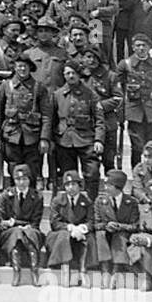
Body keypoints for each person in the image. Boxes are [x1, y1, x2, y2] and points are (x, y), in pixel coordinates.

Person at [45, 60, 105, 198]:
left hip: (86, 140)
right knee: (69, 176)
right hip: (64, 140)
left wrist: (99, 140)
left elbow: (100, 119)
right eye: (67, 73)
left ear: (79, 74)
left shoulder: (91, 95)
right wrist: (50, 140)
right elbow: (51, 119)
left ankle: (91, 204)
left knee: (92, 172)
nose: (70, 76)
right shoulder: (57, 95)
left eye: (73, 73)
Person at [0, 53, 50, 186]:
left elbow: (46, 115)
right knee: (13, 169)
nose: (22, 69)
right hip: (11, 135)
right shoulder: (5, 86)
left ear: (30, 68)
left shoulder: (39, 87)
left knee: (32, 170)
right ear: (15, 68)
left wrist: (44, 138)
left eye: (25, 67)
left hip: (32, 136)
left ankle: (31, 200)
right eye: (20, 66)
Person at [115, 32, 152, 167]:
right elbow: (118, 90)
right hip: (135, 114)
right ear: (133, 47)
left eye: (144, 45)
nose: (141, 48)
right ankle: (137, 175)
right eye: (138, 45)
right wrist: (120, 114)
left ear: (149, 48)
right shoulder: (125, 65)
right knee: (137, 147)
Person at [91, 168, 140, 288]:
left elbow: (135, 226)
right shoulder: (100, 201)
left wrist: (119, 226)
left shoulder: (131, 202)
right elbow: (95, 223)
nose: (105, 187)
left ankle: (116, 271)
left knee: (120, 236)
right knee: (100, 234)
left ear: (117, 187)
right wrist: (106, 226)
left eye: (109, 185)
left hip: (123, 237)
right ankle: (105, 270)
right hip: (106, 235)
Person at [0, 164, 45, 286]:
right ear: (14, 180)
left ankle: (34, 271)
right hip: (10, 232)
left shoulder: (37, 196)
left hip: (30, 230)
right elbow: (2, 221)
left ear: (29, 180)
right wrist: (16, 226)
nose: (21, 183)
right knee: (16, 233)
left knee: (30, 233)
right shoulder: (6, 196)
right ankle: (16, 270)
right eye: (18, 179)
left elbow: (35, 221)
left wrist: (16, 223)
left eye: (24, 179)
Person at [46, 169, 94, 286]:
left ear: (79, 186)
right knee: (63, 236)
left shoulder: (86, 201)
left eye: (73, 184)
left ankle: (83, 270)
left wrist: (82, 228)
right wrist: (70, 228)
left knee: (89, 238)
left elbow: (91, 221)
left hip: (80, 234)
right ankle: (65, 268)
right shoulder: (58, 201)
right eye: (67, 185)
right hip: (61, 234)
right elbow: (54, 222)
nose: (70, 188)